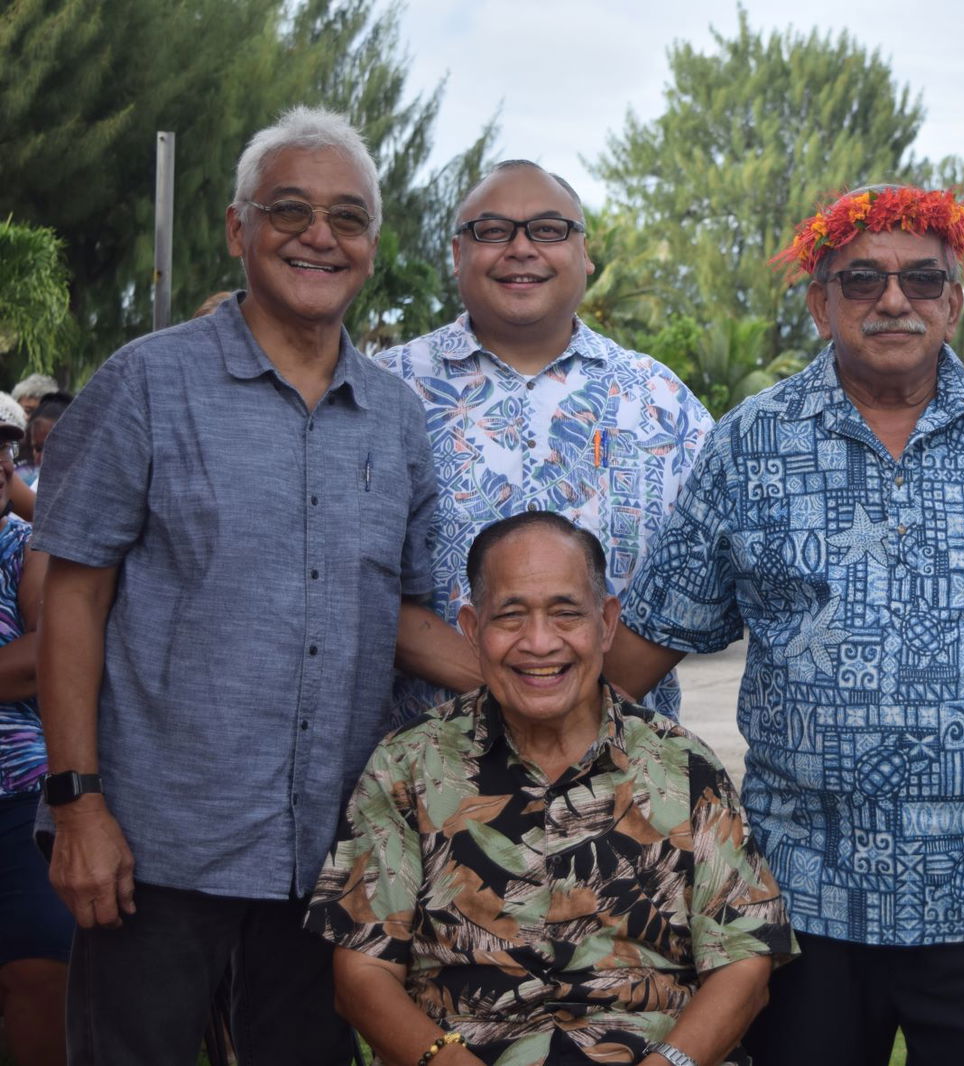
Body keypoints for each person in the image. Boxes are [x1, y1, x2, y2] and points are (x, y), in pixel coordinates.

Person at [605, 185, 964, 1066]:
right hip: (803, 905)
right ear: (819, 300)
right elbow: (641, 646)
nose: (893, 299)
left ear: (954, 301)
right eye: (862, 279)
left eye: (922, 279)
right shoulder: (749, 446)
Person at [32, 106, 438, 1066]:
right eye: (289, 209)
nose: (318, 235)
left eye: (347, 218)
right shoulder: (145, 384)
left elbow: (403, 617)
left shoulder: (396, 419)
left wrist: (546, 678)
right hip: (157, 850)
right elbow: (71, 602)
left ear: (372, 247)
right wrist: (79, 804)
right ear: (237, 228)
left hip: (333, 860)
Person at [308, 511, 793, 1066]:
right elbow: (362, 973)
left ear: (607, 623)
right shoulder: (406, 768)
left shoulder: (685, 768)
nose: (539, 643)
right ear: (471, 629)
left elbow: (745, 963)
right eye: (511, 616)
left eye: (566, 614)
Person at [379, 160, 713, 723]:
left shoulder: (662, 401)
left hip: (625, 777)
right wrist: (522, 693)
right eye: (492, 230)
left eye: (549, 229)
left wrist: (588, 711)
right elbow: (351, 584)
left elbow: (697, 587)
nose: (521, 248)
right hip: (433, 783)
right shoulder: (386, 391)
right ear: (459, 254)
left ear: (584, 253)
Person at [0, 393, 68, 1066]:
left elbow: (49, 656)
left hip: (19, 787)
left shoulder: (25, 541)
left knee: (40, 971)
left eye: (3, 448)